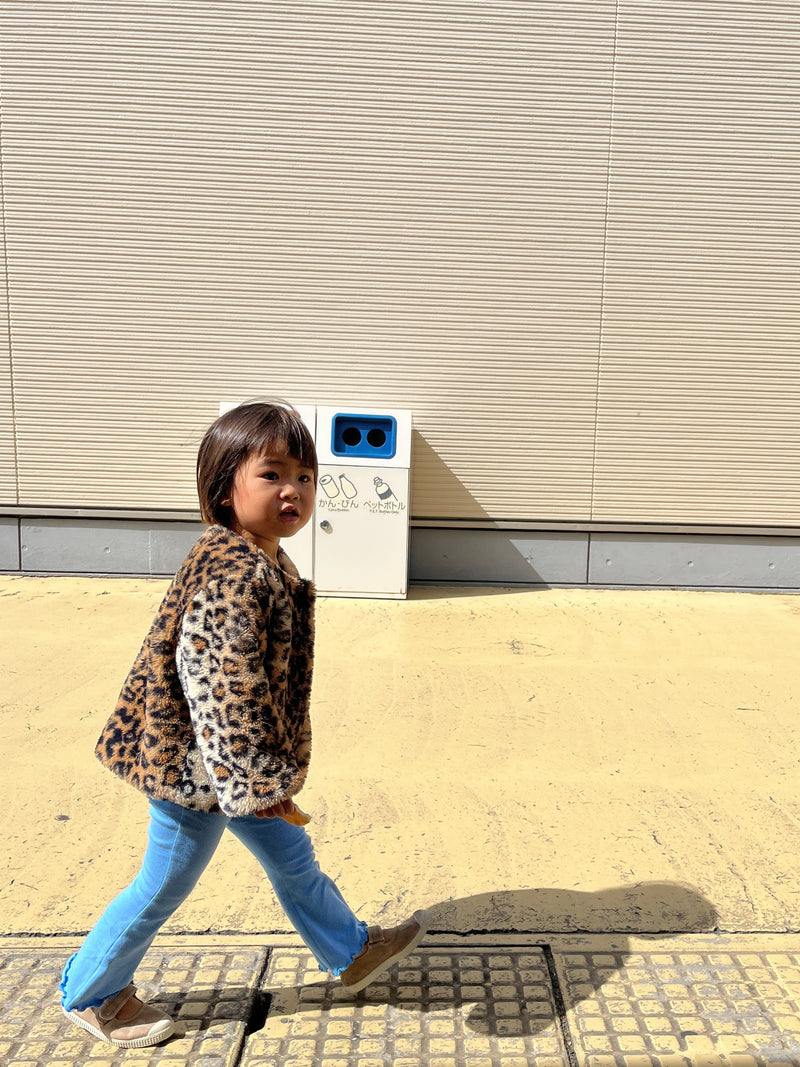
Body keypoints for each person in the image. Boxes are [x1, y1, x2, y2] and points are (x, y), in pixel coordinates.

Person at [60, 401, 427, 1049]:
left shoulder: (264, 558)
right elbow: (221, 694)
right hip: (194, 765)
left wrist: (261, 776)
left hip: (238, 765)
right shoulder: (233, 572)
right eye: (273, 474)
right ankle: (91, 991)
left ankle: (350, 949)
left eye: (306, 476)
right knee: (165, 878)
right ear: (223, 490)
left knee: (292, 856)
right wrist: (259, 781)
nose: (294, 489)